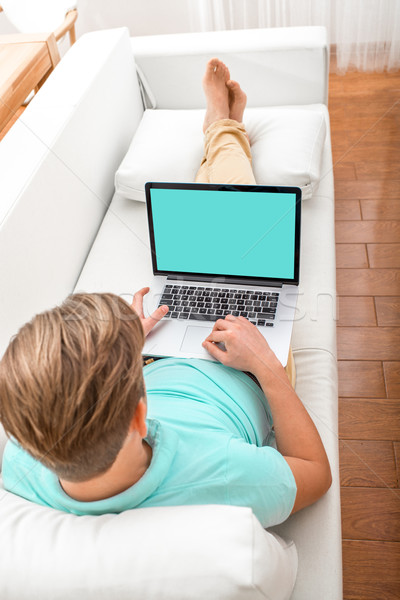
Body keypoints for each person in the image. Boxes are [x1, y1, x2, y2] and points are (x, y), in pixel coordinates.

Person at [0, 59, 331, 527]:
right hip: (242, 363)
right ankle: (223, 128)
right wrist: (263, 363)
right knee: (237, 215)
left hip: (152, 366)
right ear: (140, 417)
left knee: (205, 237)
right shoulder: (225, 476)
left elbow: (56, 411)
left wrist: (121, 348)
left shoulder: (21, 465)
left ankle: (222, 132)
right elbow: (316, 475)